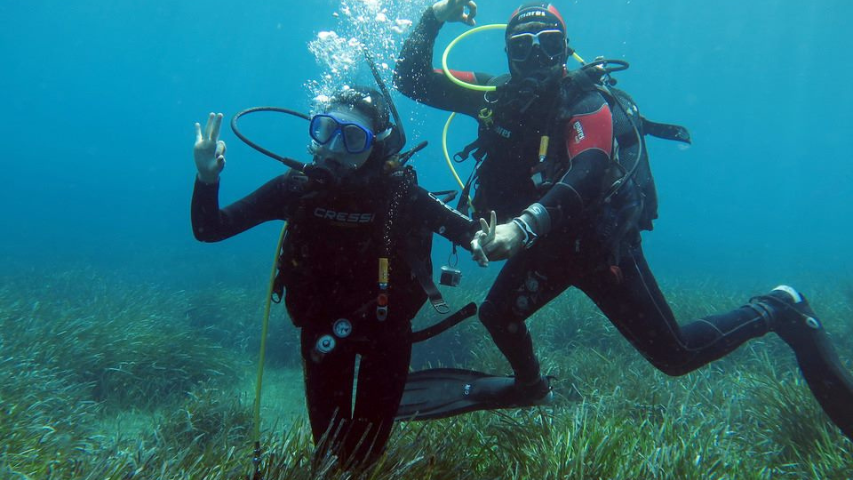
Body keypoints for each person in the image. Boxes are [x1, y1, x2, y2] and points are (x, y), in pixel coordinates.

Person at [393, 0, 853, 440]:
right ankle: (532, 387)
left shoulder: (585, 101)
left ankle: (777, 308)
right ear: (507, 52)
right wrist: (434, 17)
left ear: (565, 50)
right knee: (498, 315)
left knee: (676, 355)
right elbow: (409, 79)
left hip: (598, 247)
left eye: (549, 44)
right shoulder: (493, 95)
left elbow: (589, 169)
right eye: (522, 46)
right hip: (545, 251)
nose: (536, 56)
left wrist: (523, 227)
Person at [190, 86, 477, 465]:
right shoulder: (295, 189)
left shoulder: (399, 194)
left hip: (387, 332)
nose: (335, 148)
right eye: (326, 131)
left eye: (354, 138)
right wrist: (207, 179)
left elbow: (470, 233)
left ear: (375, 146)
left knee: (368, 454)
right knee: (330, 453)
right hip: (321, 327)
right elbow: (211, 229)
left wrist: (494, 237)